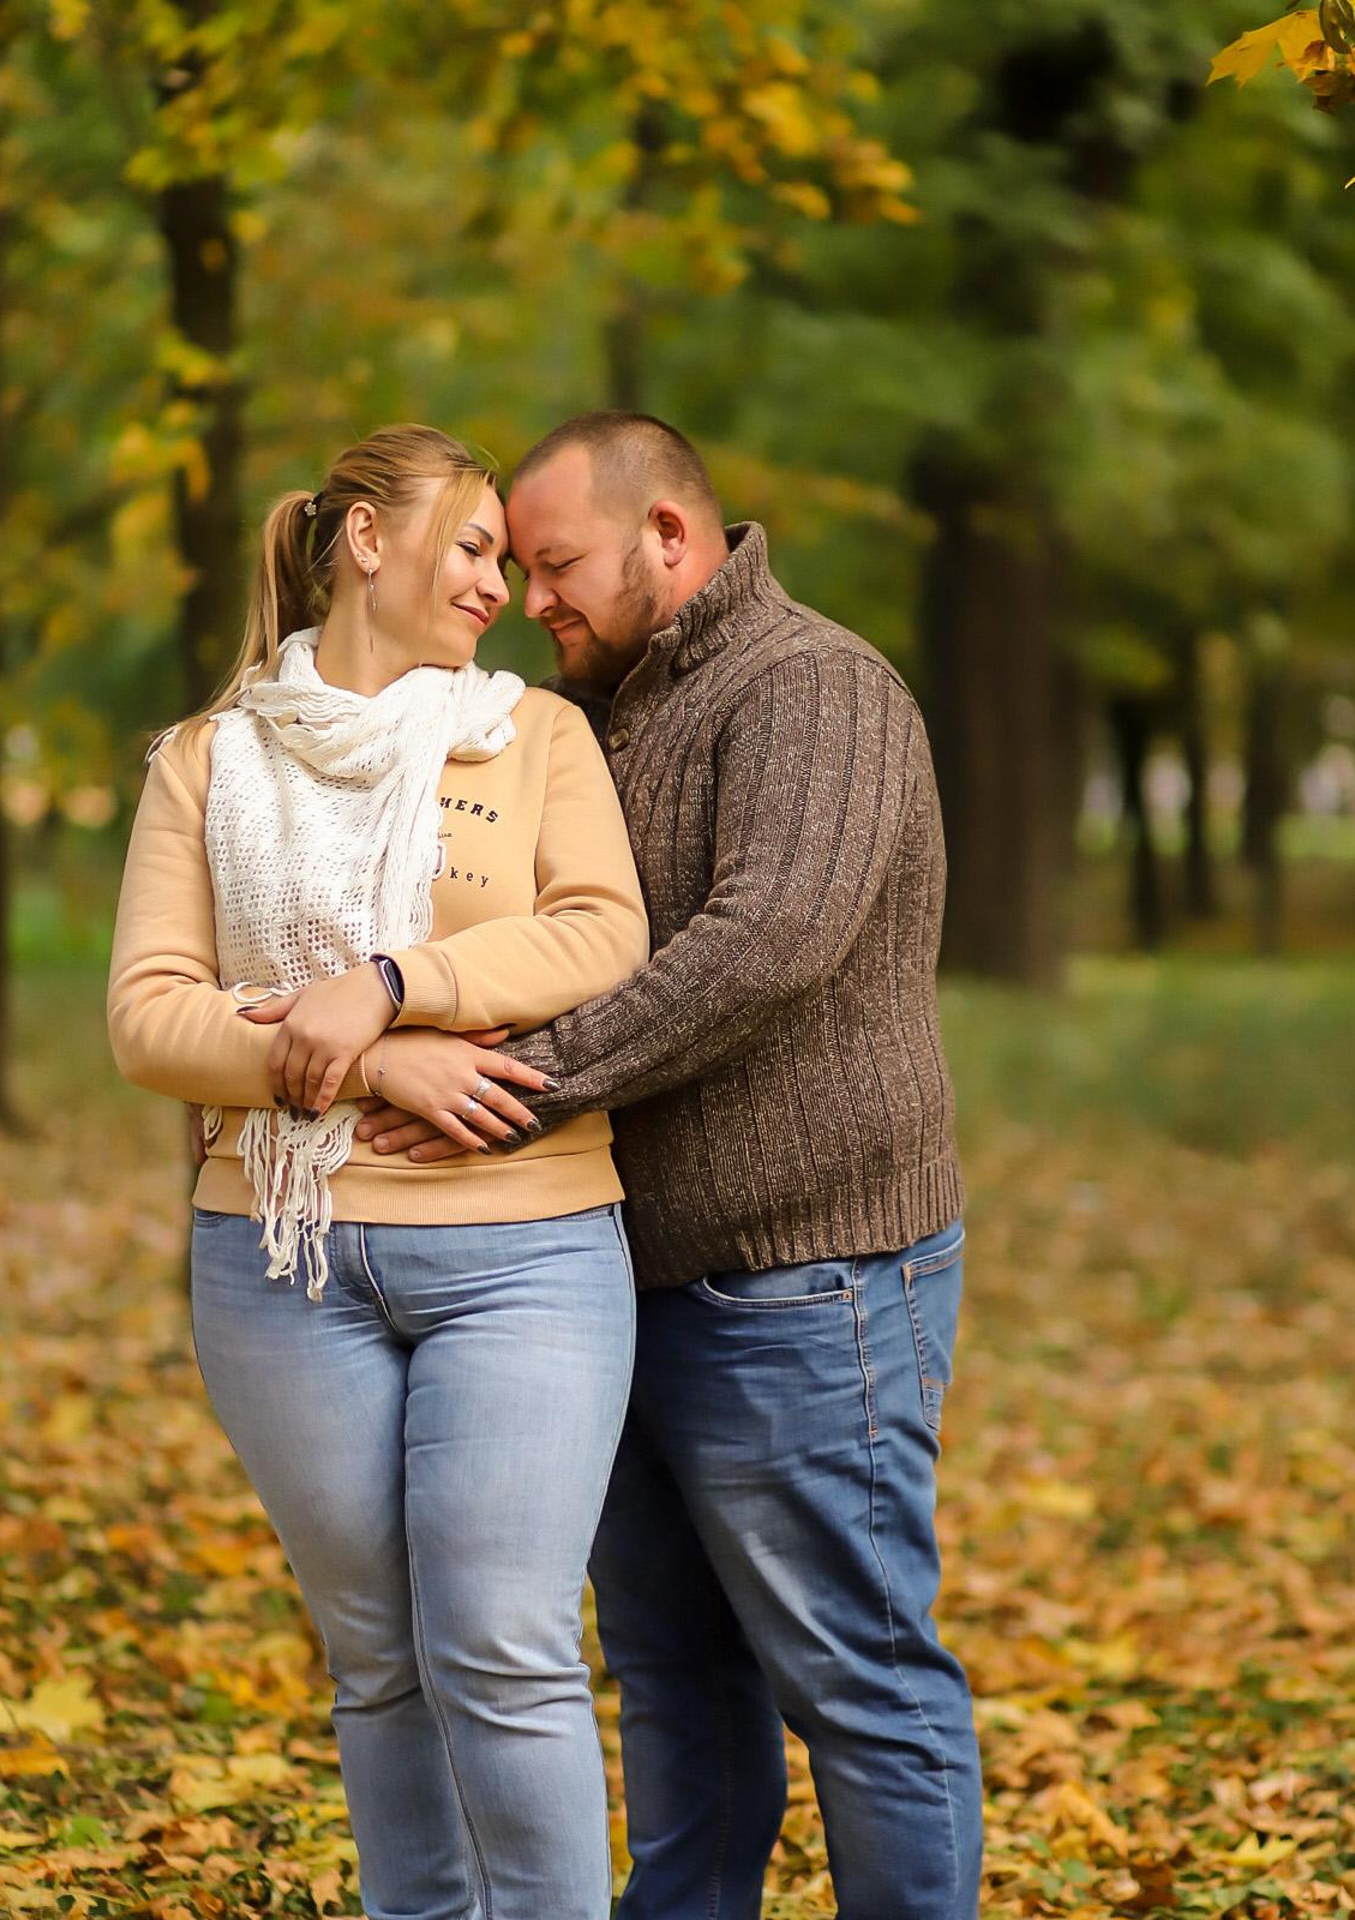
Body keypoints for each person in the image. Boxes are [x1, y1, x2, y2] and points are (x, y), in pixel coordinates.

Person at [358, 412, 984, 1919]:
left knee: (858, 1678)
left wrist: (521, 1080)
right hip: (623, 1284)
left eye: (557, 563)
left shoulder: (814, 689)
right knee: (675, 1687)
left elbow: (765, 946)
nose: (533, 597)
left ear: (671, 541)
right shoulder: (608, 711)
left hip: (806, 1285)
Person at [106, 423, 649, 1920]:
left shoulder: (532, 737)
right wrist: (380, 1060)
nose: (500, 583)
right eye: (472, 547)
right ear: (364, 541)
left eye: (506, 558)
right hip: (282, 1268)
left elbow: (601, 934)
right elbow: (152, 1016)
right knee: (380, 1657)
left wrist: (389, 983)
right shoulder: (210, 762)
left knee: (498, 1639)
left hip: (525, 1253)